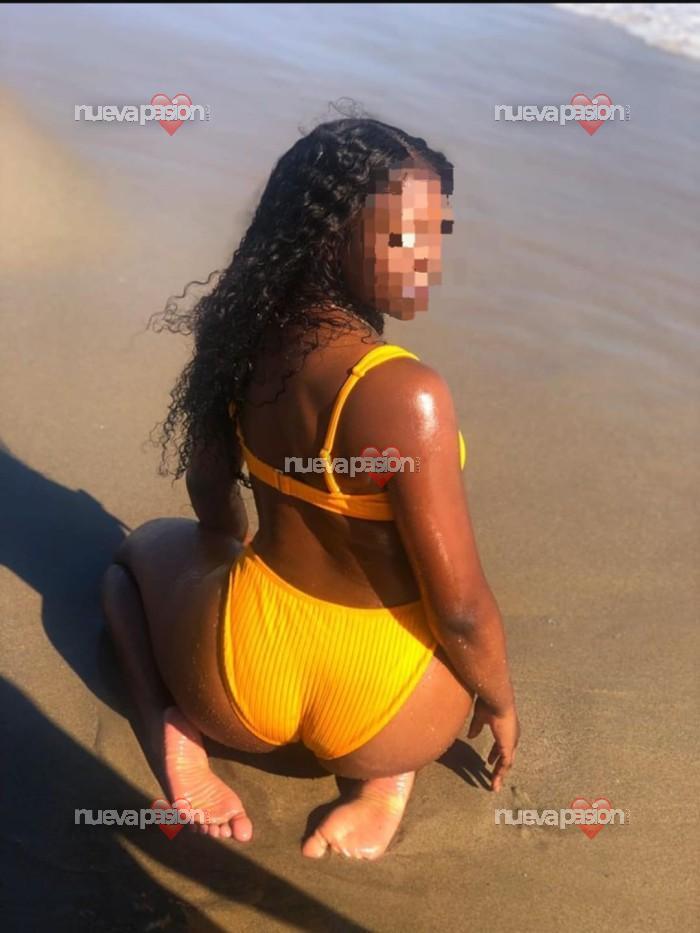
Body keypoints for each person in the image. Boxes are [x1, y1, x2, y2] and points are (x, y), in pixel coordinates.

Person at [101, 117, 520, 861]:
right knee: (455, 634)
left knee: (129, 562)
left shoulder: (241, 337)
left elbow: (209, 493)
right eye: (405, 238)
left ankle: (174, 725)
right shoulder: (408, 392)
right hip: (386, 714)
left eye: (439, 234)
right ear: (332, 239)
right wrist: (500, 699)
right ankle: (383, 784)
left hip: (237, 682)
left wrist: (219, 562)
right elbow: (459, 607)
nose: (430, 260)